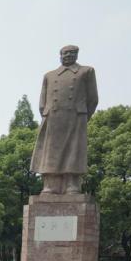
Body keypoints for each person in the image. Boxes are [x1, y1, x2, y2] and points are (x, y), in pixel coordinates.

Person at [30, 45, 99, 195]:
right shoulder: (50, 75)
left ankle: (72, 184)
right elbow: (42, 103)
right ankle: (50, 184)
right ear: (60, 55)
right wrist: (47, 115)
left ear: (77, 54)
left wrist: (83, 116)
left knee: (74, 151)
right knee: (50, 153)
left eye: (71, 53)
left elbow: (93, 99)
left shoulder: (86, 71)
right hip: (53, 118)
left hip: (75, 117)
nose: (68, 55)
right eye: (65, 53)